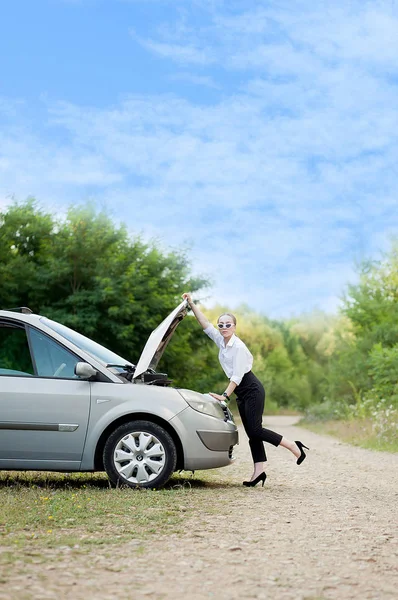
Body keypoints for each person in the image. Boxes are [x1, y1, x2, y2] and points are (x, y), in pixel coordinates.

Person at [182, 293, 309, 487]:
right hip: (242, 393)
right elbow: (205, 323)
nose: (224, 327)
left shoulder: (238, 347)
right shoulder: (221, 341)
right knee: (252, 434)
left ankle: (293, 446)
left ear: (234, 326)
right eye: (221, 324)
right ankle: (260, 470)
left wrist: (225, 396)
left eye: (228, 324)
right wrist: (190, 303)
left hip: (252, 389)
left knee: (256, 429)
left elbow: (237, 377)